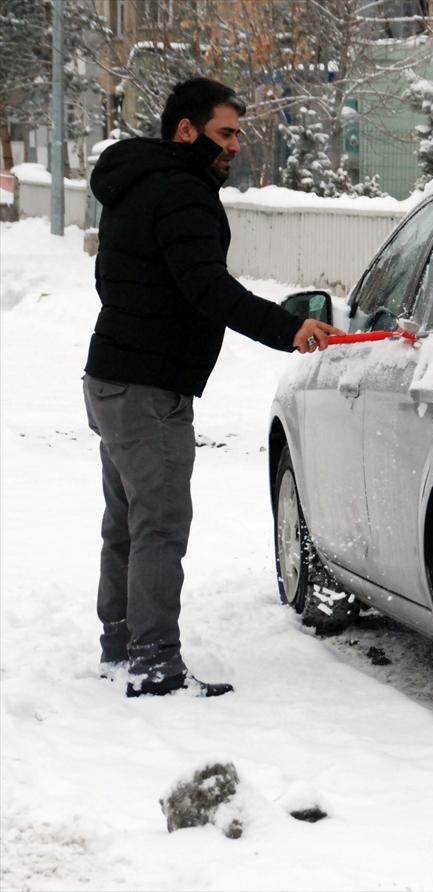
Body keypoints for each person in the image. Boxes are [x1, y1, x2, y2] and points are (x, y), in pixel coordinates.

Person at [83, 77, 344, 698]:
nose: (233, 146)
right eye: (224, 134)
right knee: (160, 525)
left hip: (111, 378)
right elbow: (209, 288)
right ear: (186, 130)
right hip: (148, 389)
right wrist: (289, 328)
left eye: (236, 135)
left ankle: (120, 643)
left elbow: (119, 278)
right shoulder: (183, 194)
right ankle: (152, 662)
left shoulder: (136, 183)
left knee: (127, 520)